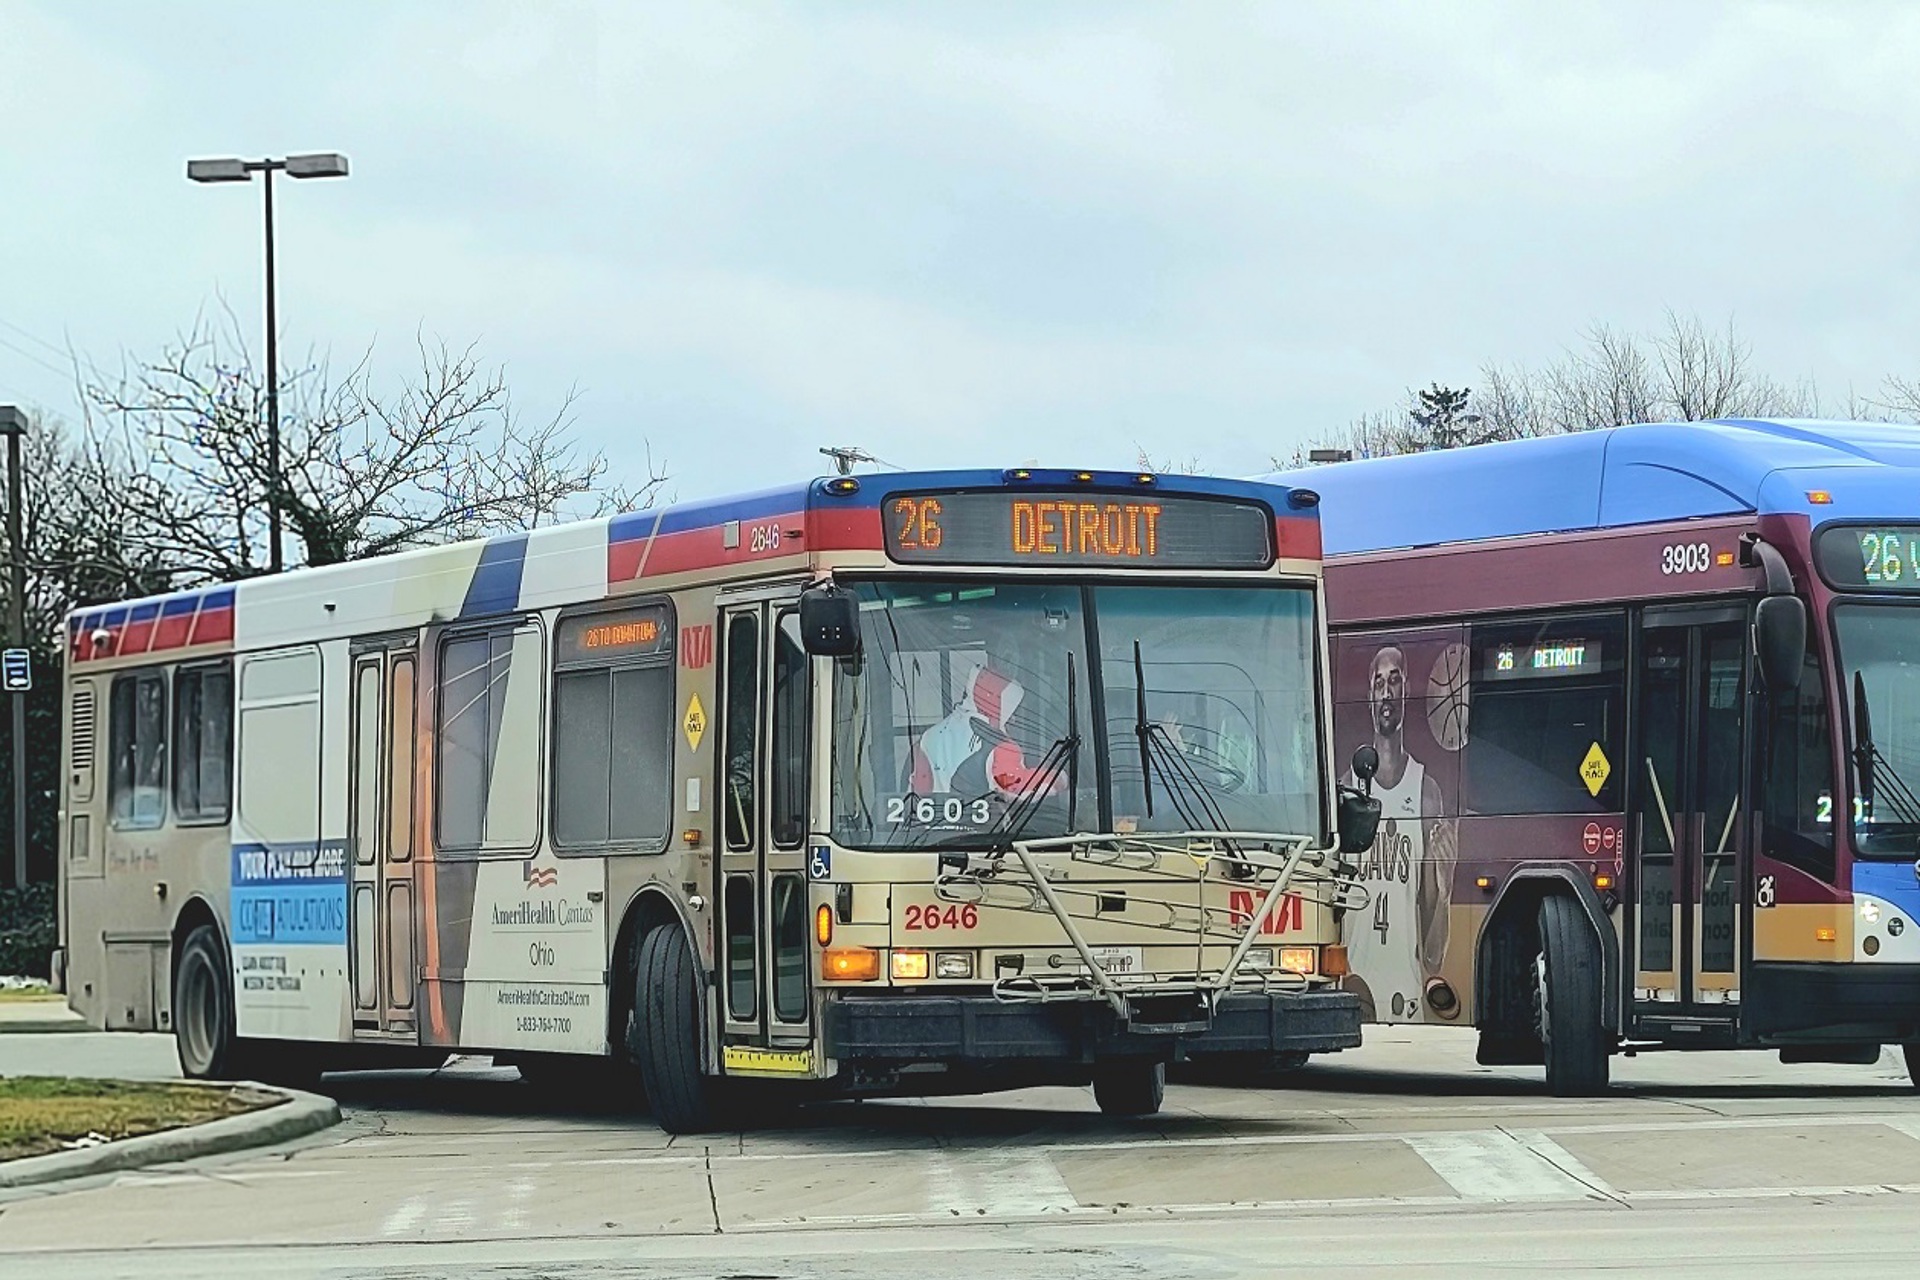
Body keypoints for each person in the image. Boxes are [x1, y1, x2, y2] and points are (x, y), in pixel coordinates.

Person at [1342, 644, 1456, 1021]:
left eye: (1394, 680)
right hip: (1354, 986)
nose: (1387, 691)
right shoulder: (1347, 787)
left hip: (1405, 993)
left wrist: (1444, 888)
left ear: (1407, 690)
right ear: (1370, 694)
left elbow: (1433, 954)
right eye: (1379, 682)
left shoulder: (1426, 793)